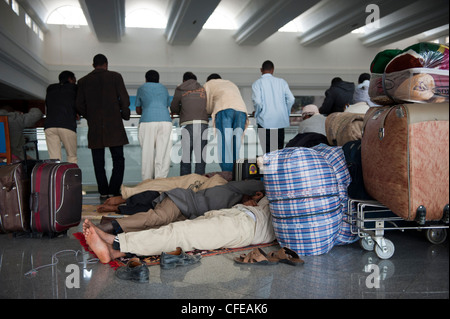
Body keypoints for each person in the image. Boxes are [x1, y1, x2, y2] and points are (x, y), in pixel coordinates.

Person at [82, 191, 275, 263]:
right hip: (236, 214)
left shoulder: (293, 204)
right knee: (179, 227)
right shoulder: (273, 193)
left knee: (180, 234)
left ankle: (115, 242)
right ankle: (116, 251)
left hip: (247, 226)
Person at [95, 178, 264, 235]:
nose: (256, 200)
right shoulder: (235, 188)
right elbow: (261, 183)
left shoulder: (238, 209)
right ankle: (109, 226)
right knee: (159, 217)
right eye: (257, 196)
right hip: (182, 200)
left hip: (187, 213)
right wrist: (260, 191)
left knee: (158, 226)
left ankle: (112, 226)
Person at [76, 54, 130, 200]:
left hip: (95, 127)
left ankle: (103, 191)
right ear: (106, 64)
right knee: (118, 159)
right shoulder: (115, 77)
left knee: (98, 161)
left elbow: (79, 105)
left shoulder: (83, 81)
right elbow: (124, 98)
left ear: (93, 65)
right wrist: (124, 113)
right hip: (114, 125)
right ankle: (114, 189)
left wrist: (90, 116)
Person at [203, 74, 248, 172]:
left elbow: (207, 104)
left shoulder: (209, 84)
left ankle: (227, 174)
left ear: (209, 80)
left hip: (224, 109)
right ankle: (236, 174)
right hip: (241, 111)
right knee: (236, 144)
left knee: (225, 144)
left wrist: (208, 112)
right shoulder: (230, 83)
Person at [136, 70, 172, 180]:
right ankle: (160, 181)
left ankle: (147, 182)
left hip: (147, 121)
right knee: (163, 154)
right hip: (165, 121)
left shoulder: (142, 88)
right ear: (158, 80)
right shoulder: (163, 88)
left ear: (146, 79)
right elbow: (167, 106)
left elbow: (138, 109)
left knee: (147, 153)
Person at [252, 60, 295, 154]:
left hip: (264, 122)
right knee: (278, 152)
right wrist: (285, 112)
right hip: (280, 122)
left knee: (267, 152)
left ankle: (268, 168)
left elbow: (258, 102)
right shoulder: (282, 82)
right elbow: (291, 99)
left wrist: (258, 113)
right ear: (272, 70)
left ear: (261, 70)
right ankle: (277, 168)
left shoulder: (257, 83)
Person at [170, 72, 208, 176]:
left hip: (188, 124)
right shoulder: (203, 89)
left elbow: (174, 107)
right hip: (203, 123)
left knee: (186, 156)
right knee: (200, 157)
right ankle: (198, 183)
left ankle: (186, 184)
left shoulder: (180, 89)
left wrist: (179, 110)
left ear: (184, 81)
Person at [44, 70, 79, 163]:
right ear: (70, 79)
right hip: (67, 124)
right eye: (74, 79)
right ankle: (71, 177)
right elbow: (78, 104)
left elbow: (48, 104)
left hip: (49, 125)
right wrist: (77, 113)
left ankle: (56, 177)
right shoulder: (74, 88)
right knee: (72, 156)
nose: (75, 82)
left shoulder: (50, 88)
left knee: (54, 159)